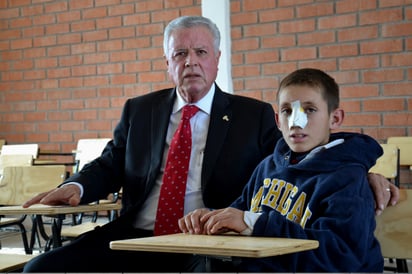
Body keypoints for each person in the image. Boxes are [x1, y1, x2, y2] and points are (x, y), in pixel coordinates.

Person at [22, 16, 395, 272]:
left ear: (217, 60)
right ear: (167, 62)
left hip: (206, 243)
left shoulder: (255, 115)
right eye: (180, 53)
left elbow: (299, 159)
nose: (191, 62)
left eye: (201, 52)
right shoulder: (140, 110)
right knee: (40, 268)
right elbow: (110, 163)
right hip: (137, 235)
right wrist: (75, 186)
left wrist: (363, 169)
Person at [179, 68, 384, 272]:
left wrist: (255, 223)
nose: (296, 122)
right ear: (277, 120)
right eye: (287, 111)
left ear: (335, 119)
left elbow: (341, 257)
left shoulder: (348, 178)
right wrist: (211, 219)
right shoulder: (267, 167)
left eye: (309, 110)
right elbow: (240, 215)